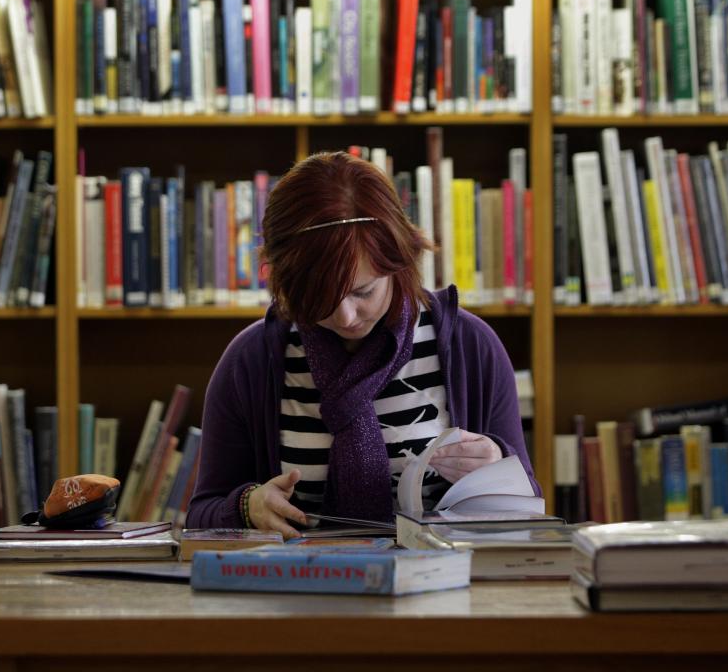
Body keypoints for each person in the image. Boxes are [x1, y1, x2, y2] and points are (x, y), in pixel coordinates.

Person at [185, 151, 538, 538]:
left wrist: (496, 463)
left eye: (362, 292)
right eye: (318, 298)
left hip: (440, 585)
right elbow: (202, 514)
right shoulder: (251, 361)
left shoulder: (469, 347)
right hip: (295, 589)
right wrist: (246, 506)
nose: (344, 317)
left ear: (398, 260)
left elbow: (528, 512)